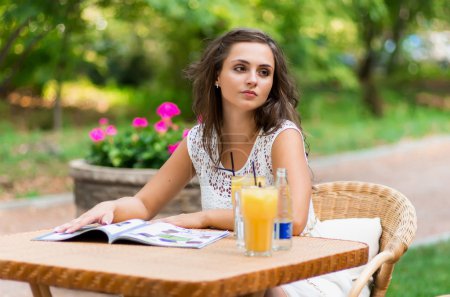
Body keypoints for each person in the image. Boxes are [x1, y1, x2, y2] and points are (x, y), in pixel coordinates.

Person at [55, 28, 357, 297]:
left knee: (247, 285)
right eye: (241, 68)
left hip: (294, 269)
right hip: (223, 267)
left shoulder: (281, 137)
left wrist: (204, 217)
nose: (253, 79)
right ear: (216, 76)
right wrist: (111, 208)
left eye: (264, 72)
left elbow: (293, 221)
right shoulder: (200, 140)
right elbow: (144, 205)